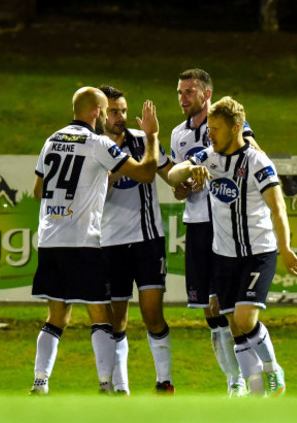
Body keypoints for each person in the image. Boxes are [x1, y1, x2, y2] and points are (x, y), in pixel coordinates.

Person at [29, 86, 160, 395]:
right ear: (94, 113)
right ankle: (106, 385)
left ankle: (40, 383)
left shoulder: (51, 140)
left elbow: (37, 192)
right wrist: (152, 138)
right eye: (104, 111)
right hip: (83, 242)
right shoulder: (98, 143)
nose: (105, 116)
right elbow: (146, 173)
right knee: (101, 316)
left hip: (49, 240)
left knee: (56, 317)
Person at [169, 96, 297, 397]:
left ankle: (272, 368)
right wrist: (188, 170)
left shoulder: (257, 162)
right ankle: (255, 390)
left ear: (236, 128)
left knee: (245, 319)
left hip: (258, 252)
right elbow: (173, 174)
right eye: (209, 128)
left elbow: (278, 208)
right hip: (224, 255)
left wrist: (285, 247)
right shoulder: (208, 156)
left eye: (215, 128)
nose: (209, 134)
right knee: (233, 325)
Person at [170, 69, 262, 396]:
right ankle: (234, 380)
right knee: (211, 311)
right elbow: (178, 177)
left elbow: (250, 150)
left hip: (224, 224)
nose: (183, 98)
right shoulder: (178, 134)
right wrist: (182, 187)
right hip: (197, 223)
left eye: (190, 92)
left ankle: (253, 377)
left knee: (229, 306)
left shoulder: (223, 124)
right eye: (180, 92)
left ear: (206, 94)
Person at [99, 85, 177, 395]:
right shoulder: (93, 148)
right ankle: (121, 389)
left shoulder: (142, 140)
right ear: (100, 113)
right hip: (109, 244)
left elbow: (168, 172)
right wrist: (111, 176)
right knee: (115, 321)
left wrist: (185, 181)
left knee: (152, 313)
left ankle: (164, 381)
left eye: (122, 110)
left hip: (147, 240)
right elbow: (93, 197)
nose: (119, 117)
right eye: (113, 111)